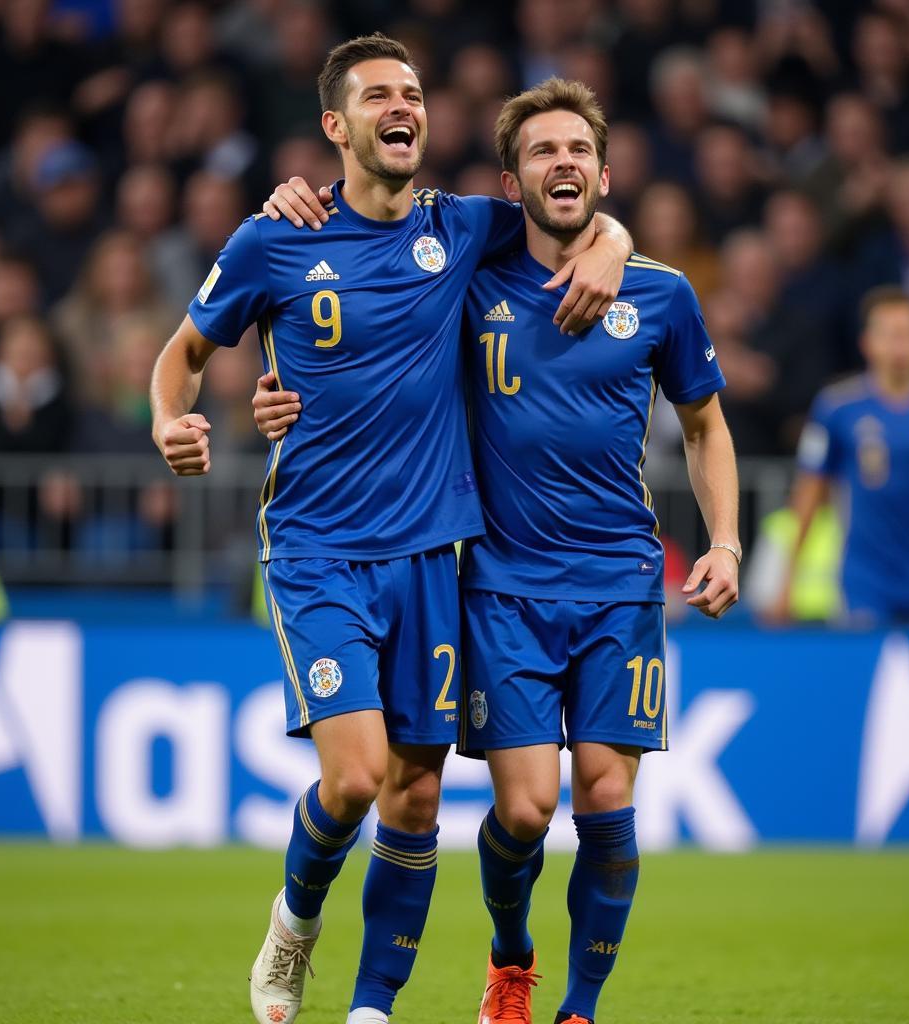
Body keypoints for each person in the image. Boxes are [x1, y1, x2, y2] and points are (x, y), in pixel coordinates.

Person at [149, 34, 631, 1024]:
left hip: (431, 556)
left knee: (414, 798)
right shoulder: (272, 239)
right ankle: (294, 921)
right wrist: (171, 418)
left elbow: (569, 210)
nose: (403, 105)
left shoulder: (458, 229)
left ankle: (371, 1011)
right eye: (378, 94)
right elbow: (184, 351)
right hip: (318, 549)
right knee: (357, 775)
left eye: (412, 91)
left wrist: (616, 243)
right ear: (337, 125)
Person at [256, 77, 740, 1024]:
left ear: (605, 172)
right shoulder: (464, 274)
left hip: (620, 584)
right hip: (498, 585)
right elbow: (360, 313)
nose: (564, 163)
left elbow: (705, 423)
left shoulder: (662, 295)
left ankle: (578, 1008)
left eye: (579, 151)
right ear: (510, 186)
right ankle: (511, 954)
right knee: (523, 811)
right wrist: (275, 367)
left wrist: (724, 540)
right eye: (542, 152)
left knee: (605, 801)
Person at [770, 287, 909, 625]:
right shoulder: (838, 407)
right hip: (862, 580)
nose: (897, 346)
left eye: (906, 335)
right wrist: (787, 579)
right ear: (866, 342)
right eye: (887, 335)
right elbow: (809, 490)